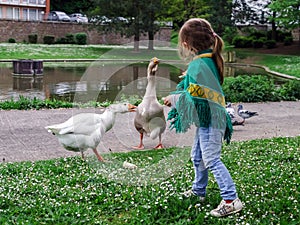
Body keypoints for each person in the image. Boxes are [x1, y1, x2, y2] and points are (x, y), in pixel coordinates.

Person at [163, 18, 243, 217]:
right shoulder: (205, 60)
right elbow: (200, 93)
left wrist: (174, 99)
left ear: (186, 44)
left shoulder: (199, 65)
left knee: (211, 159)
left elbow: (196, 101)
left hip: (211, 119)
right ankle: (199, 191)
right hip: (209, 119)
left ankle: (231, 199)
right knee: (197, 157)